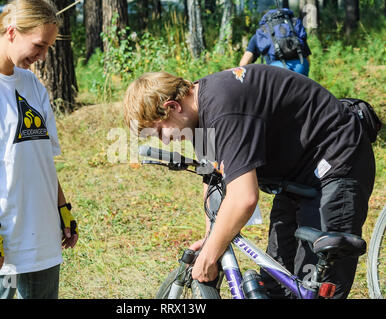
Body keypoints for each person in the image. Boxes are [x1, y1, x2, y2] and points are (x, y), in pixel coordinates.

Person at [123, 65, 376, 299]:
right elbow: (213, 180)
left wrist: (211, 255)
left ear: (173, 107)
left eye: (159, 131)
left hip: (337, 160)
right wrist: (211, 238)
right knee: (277, 281)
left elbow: (244, 197)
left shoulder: (223, 107)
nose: (164, 141)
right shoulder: (198, 119)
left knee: (316, 283)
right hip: (296, 174)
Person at [0, 0, 78, 299]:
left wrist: (62, 207)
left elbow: (42, 159)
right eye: (38, 45)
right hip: (1, 238)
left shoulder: (31, 84)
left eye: (47, 48)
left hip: (43, 237)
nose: (43, 56)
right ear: (11, 32)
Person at [239, 8, 312, 76]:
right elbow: (308, 62)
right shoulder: (294, 28)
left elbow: (243, 64)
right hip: (301, 67)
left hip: (276, 72)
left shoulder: (262, 33)